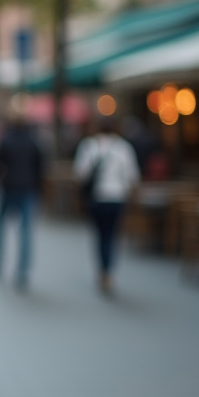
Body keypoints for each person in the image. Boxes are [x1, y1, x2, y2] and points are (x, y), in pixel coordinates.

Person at [74, 118, 140, 296]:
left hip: (97, 197)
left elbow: (80, 173)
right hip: (117, 197)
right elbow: (133, 176)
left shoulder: (89, 146)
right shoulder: (123, 148)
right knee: (112, 235)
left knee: (100, 235)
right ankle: (108, 271)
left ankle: (102, 271)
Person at [0, 112, 44, 290]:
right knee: (25, 231)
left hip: (9, 187)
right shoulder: (33, 143)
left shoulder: (6, 141)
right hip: (27, 189)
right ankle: (22, 271)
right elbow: (40, 168)